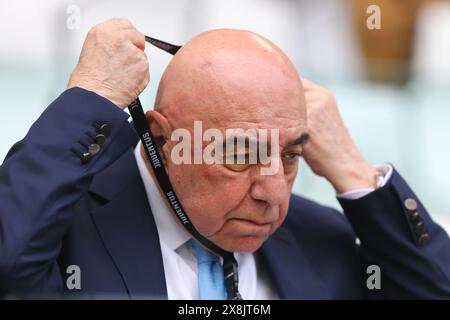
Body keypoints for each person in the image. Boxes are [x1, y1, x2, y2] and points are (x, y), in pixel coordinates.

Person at [0, 18, 449, 299]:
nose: (272, 193)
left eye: (291, 155)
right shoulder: (67, 234)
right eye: (239, 154)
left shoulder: (324, 241)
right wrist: (90, 99)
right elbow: (8, 262)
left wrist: (354, 170)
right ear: (161, 137)